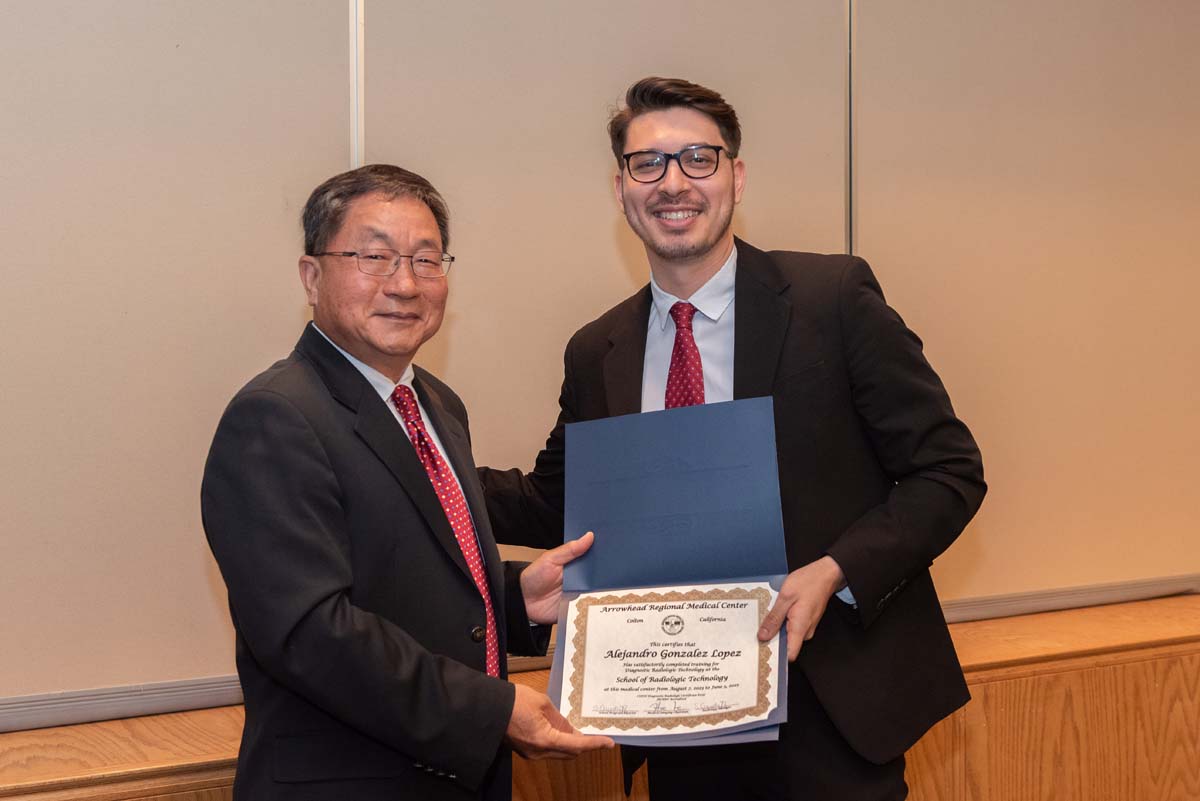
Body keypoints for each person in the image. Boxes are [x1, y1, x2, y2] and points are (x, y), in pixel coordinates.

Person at [480, 78, 986, 800]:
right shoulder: (599, 349)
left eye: (698, 158)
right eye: (647, 164)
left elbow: (948, 470)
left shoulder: (832, 301)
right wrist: (423, 469)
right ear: (622, 189)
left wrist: (837, 569)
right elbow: (556, 501)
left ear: (736, 177)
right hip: (675, 709)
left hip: (829, 708)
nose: (673, 182)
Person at [201, 164, 612, 801]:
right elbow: (310, 631)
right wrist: (491, 710)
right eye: (374, 256)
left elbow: (402, 577)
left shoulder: (435, 406)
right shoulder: (276, 417)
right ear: (312, 276)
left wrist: (514, 596)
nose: (404, 283)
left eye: (426, 259)